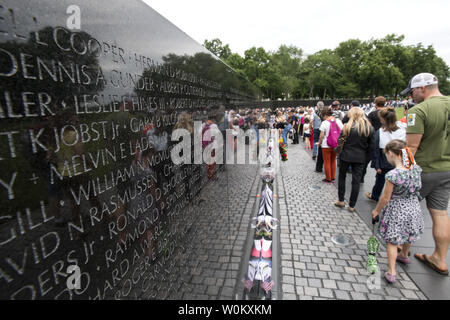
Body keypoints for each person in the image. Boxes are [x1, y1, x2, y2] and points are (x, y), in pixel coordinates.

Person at [403, 73, 450, 275]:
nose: (412, 95)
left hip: (422, 169)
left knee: (406, 207)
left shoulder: (419, 110)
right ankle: (439, 257)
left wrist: (402, 172)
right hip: (446, 168)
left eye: (413, 90)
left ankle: (400, 246)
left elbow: (410, 147)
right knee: (440, 213)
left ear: (423, 88)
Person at [371, 140, 424, 283]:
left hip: (397, 209)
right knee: (408, 234)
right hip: (413, 206)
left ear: (390, 153)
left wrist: (376, 211)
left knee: (392, 240)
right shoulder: (415, 168)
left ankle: (392, 271)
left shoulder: (393, 175)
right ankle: (405, 255)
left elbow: (386, 198)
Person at [335, 107, 374, 212]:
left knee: (342, 178)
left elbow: (340, 141)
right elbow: (371, 146)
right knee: (356, 182)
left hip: (346, 156)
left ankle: (341, 200)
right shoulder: (368, 128)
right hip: (360, 157)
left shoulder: (347, 127)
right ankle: (352, 205)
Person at [366, 107, 406, 202]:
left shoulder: (380, 133)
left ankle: (375, 196)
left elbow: (375, 150)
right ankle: (393, 198)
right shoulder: (403, 130)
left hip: (384, 161)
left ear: (383, 120)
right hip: (398, 161)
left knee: (380, 181)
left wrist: (377, 165)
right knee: (397, 181)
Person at [316, 107, 343, 183]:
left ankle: (328, 178)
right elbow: (342, 131)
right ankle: (333, 177)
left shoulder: (324, 122)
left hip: (326, 145)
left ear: (324, 115)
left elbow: (321, 135)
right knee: (333, 160)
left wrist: (320, 143)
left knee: (327, 161)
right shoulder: (338, 121)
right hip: (336, 144)